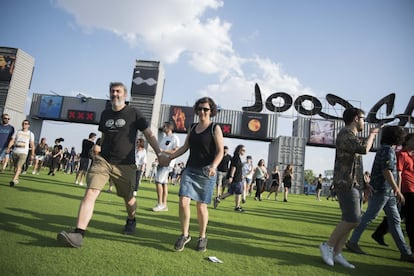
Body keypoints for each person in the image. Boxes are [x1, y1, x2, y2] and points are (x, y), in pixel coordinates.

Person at [57, 82, 166, 248]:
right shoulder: (105, 113)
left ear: (125, 95)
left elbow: (149, 134)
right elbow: (105, 134)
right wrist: (98, 146)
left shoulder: (134, 113)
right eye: (112, 91)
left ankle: (131, 219)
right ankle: (78, 234)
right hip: (104, 160)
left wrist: (159, 153)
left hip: (125, 165)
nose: (115, 94)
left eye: (118, 91)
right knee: (91, 191)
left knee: (129, 199)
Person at [319, 107, 379, 269]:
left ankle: (337, 253)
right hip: (346, 183)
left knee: (350, 219)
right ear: (355, 118)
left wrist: (366, 184)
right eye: (362, 118)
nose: (364, 122)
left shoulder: (351, 136)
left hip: (355, 183)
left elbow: (356, 164)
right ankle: (328, 245)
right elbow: (364, 150)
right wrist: (372, 135)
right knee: (353, 218)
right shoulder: (345, 134)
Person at [346, 126, 414, 262]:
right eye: (401, 135)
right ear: (396, 137)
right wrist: (397, 190)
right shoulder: (388, 150)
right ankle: (352, 242)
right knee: (370, 217)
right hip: (383, 191)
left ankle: (405, 252)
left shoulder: (386, 149)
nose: (403, 137)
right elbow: (386, 171)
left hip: (386, 192)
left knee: (394, 221)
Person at [166, 97, 224, 252]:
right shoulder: (192, 127)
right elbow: (185, 147)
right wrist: (170, 157)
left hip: (207, 171)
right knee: (183, 201)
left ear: (211, 111)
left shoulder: (215, 128)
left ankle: (202, 236)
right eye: (200, 109)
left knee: (201, 206)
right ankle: (185, 234)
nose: (202, 112)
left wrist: (214, 165)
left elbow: (220, 152)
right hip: (190, 169)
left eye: (206, 109)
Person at [153, 122, 180, 211]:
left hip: (168, 162)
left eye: (164, 126)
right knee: (164, 183)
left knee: (158, 182)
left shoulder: (174, 137)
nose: (163, 128)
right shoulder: (164, 138)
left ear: (169, 127)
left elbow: (175, 150)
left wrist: (164, 151)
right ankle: (164, 204)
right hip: (161, 162)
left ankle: (160, 203)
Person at [214, 145, 246, 212]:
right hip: (236, 178)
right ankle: (237, 207)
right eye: (243, 150)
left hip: (237, 177)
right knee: (238, 192)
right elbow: (233, 167)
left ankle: (218, 198)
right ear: (239, 150)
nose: (244, 152)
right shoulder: (236, 158)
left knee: (230, 192)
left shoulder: (236, 157)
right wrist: (231, 176)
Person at [7, 120, 35, 186]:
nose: (24, 125)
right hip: (15, 151)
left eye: (26, 124)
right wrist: (8, 147)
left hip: (23, 152)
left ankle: (13, 180)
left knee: (19, 166)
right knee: (15, 167)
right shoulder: (17, 132)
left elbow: (32, 144)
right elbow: (12, 140)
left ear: (28, 125)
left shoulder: (30, 134)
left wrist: (32, 154)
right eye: (23, 123)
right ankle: (16, 179)